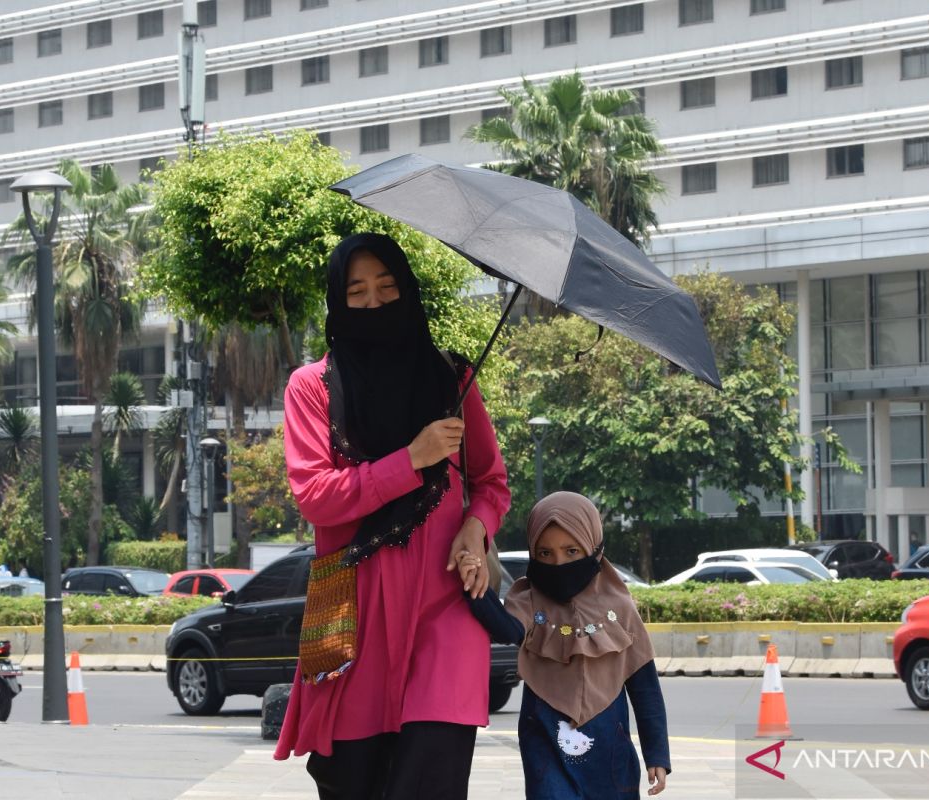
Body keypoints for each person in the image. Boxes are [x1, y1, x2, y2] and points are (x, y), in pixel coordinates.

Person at [273, 232, 511, 800]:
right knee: (353, 782)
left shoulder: (452, 380)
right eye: (357, 292)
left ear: (407, 291)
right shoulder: (311, 389)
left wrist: (476, 531)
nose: (375, 302)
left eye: (387, 286)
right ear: (338, 302)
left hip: (447, 607)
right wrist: (411, 459)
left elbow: (491, 483)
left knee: (431, 778)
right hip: (353, 615)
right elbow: (315, 495)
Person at [459, 492, 670, 799]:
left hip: (610, 752)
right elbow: (507, 629)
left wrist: (657, 755)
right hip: (545, 746)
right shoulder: (528, 598)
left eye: (572, 551)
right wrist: (476, 587)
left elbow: (645, 687)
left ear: (593, 547)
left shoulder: (619, 608)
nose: (558, 563)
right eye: (545, 554)